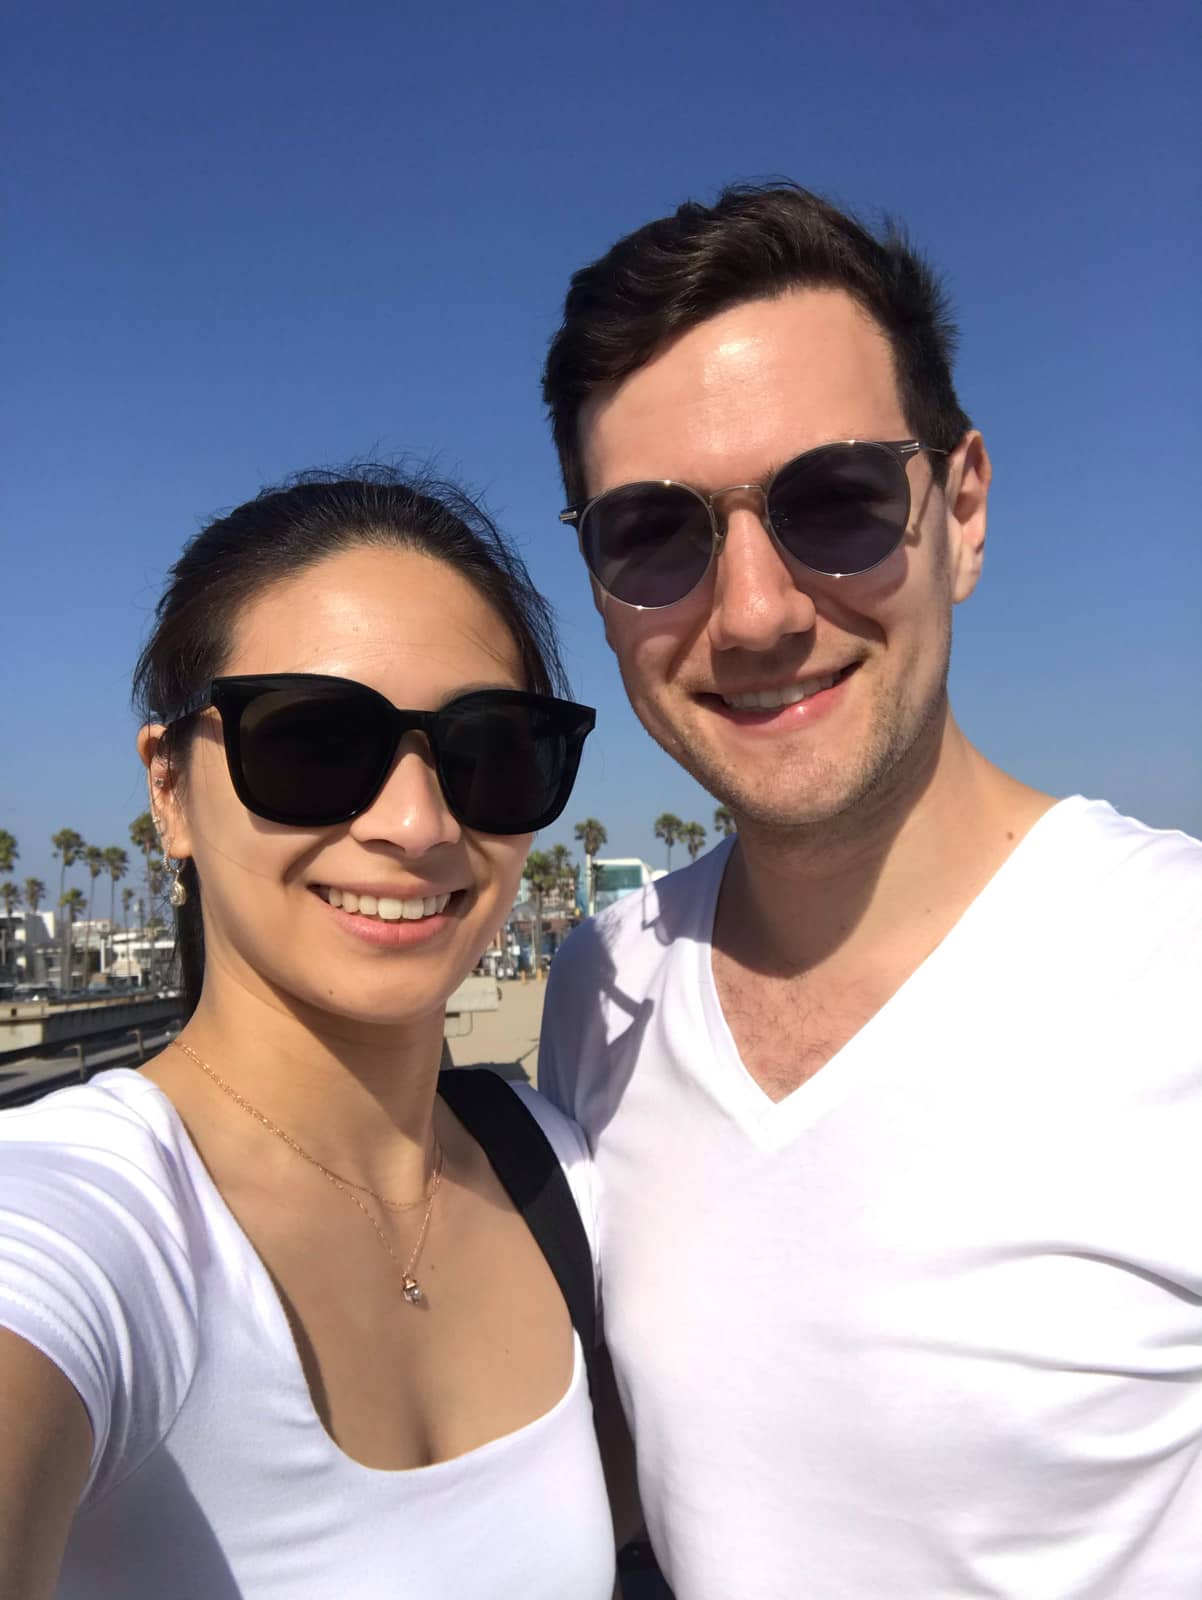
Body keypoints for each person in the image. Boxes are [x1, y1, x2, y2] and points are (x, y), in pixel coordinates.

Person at [537, 182, 1202, 1598]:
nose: (758, 610)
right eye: (655, 535)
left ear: (958, 511)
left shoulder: (1173, 965)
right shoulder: (602, 987)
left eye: (832, 501)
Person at [0, 469, 615, 1598]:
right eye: (315, 742)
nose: (418, 823)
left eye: (486, 751)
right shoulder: (87, 1223)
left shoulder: (558, 1173)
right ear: (171, 790)